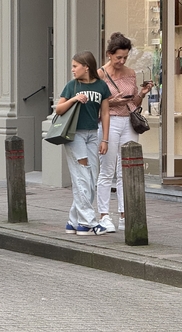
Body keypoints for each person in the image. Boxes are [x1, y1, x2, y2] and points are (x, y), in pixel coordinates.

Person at [96, 33, 154, 232]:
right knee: (107, 170)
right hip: (108, 122)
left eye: (125, 57)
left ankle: (124, 214)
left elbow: (134, 103)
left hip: (128, 122)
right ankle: (103, 215)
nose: (121, 61)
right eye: (118, 57)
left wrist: (142, 94)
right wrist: (111, 102)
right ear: (109, 54)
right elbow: (94, 104)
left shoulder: (130, 73)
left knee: (126, 170)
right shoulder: (100, 74)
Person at [57, 51, 111, 236]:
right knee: (81, 176)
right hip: (75, 135)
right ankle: (89, 222)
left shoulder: (101, 86)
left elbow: (105, 113)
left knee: (91, 177)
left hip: (93, 134)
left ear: (86, 67)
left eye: (75, 66)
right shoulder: (72, 86)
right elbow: (59, 109)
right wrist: (74, 99)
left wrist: (105, 139)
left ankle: (74, 222)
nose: (72, 70)